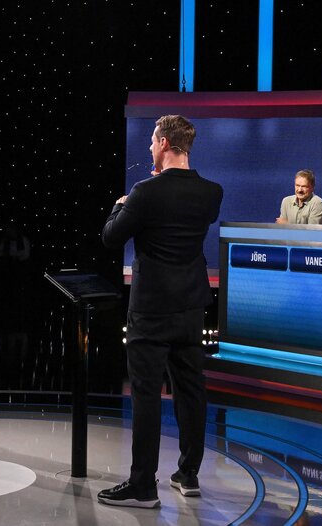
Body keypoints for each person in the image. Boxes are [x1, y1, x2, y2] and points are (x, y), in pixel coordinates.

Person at [99, 115, 223, 509]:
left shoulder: (144, 192)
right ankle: (188, 474)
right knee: (190, 391)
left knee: (147, 394)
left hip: (151, 311)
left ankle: (142, 485)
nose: (149, 149)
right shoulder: (211, 193)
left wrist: (120, 207)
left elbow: (110, 238)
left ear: (165, 142)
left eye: (153, 142)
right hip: (189, 308)